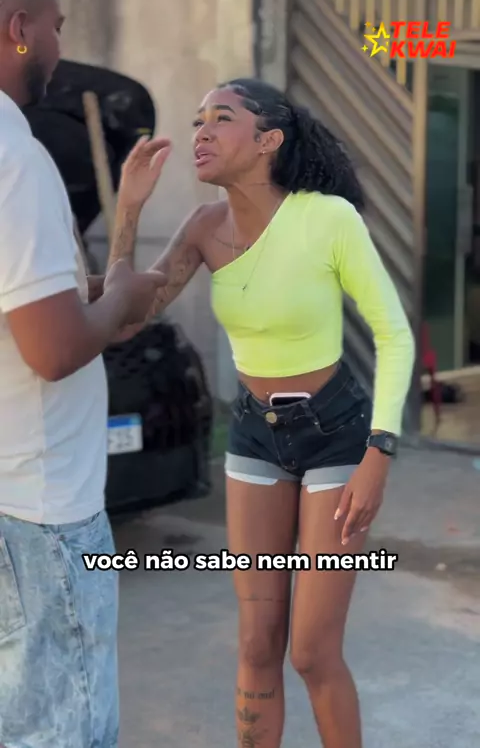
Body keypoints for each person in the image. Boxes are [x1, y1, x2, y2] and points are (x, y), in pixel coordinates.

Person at [110, 77, 416, 748]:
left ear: (268, 140)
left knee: (311, 651)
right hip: (254, 435)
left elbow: (394, 334)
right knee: (255, 644)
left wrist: (380, 451)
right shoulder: (203, 228)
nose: (202, 132)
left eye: (221, 118)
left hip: (336, 435)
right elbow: (127, 315)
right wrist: (128, 209)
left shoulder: (326, 218)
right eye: (198, 119)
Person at [0, 0, 168, 748]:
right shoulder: (14, 156)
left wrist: (125, 221)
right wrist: (123, 297)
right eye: (56, 26)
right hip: (44, 512)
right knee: (65, 731)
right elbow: (54, 348)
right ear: (18, 27)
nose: (59, 49)